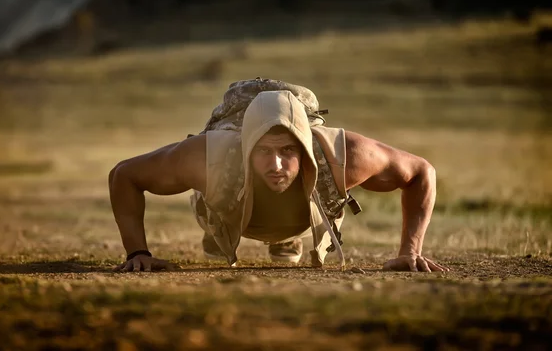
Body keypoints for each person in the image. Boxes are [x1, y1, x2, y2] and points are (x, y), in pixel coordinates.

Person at [109, 79, 449, 273]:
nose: (276, 164)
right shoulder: (207, 156)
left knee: (297, 196)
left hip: (305, 209)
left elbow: (421, 171)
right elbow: (124, 175)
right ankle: (220, 231)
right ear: (246, 147)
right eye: (263, 151)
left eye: (288, 151)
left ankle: (287, 235)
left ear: (304, 149)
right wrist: (137, 253)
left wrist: (411, 251)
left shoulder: (343, 156)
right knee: (214, 189)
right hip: (225, 204)